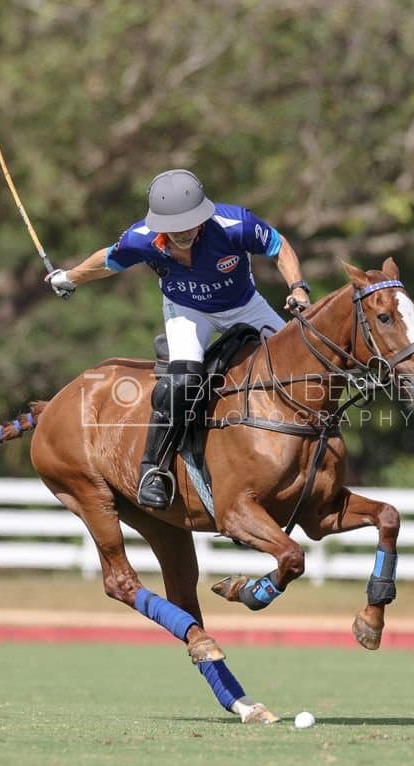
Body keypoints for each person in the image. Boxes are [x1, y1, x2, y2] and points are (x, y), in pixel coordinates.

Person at [45, 169, 311, 510]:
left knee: (299, 360)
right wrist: (68, 278)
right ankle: (154, 468)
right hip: (187, 310)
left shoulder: (236, 224)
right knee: (182, 380)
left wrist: (298, 288)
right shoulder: (140, 238)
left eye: (189, 223)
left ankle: (313, 449)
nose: (182, 232)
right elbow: (107, 261)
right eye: (173, 227)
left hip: (245, 305)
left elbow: (279, 247)